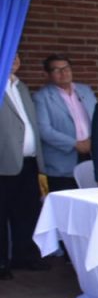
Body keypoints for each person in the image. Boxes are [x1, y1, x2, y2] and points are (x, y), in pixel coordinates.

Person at [0, 54, 48, 278]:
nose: (14, 60)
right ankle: (1, 263)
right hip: (4, 163)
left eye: (17, 57)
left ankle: (25, 256)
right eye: (9, 55)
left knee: (27, 213)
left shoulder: (22, 87)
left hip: (29, 162)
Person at [33, 54, 97, 192]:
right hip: (62, 161)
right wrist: (75, 144)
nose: (64, 73)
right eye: (57, 70)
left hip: (91, 153)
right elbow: (44, 130)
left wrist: (92, 140)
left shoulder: (85, 90)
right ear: (48, 75)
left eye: (66, 68)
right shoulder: (41, 97)